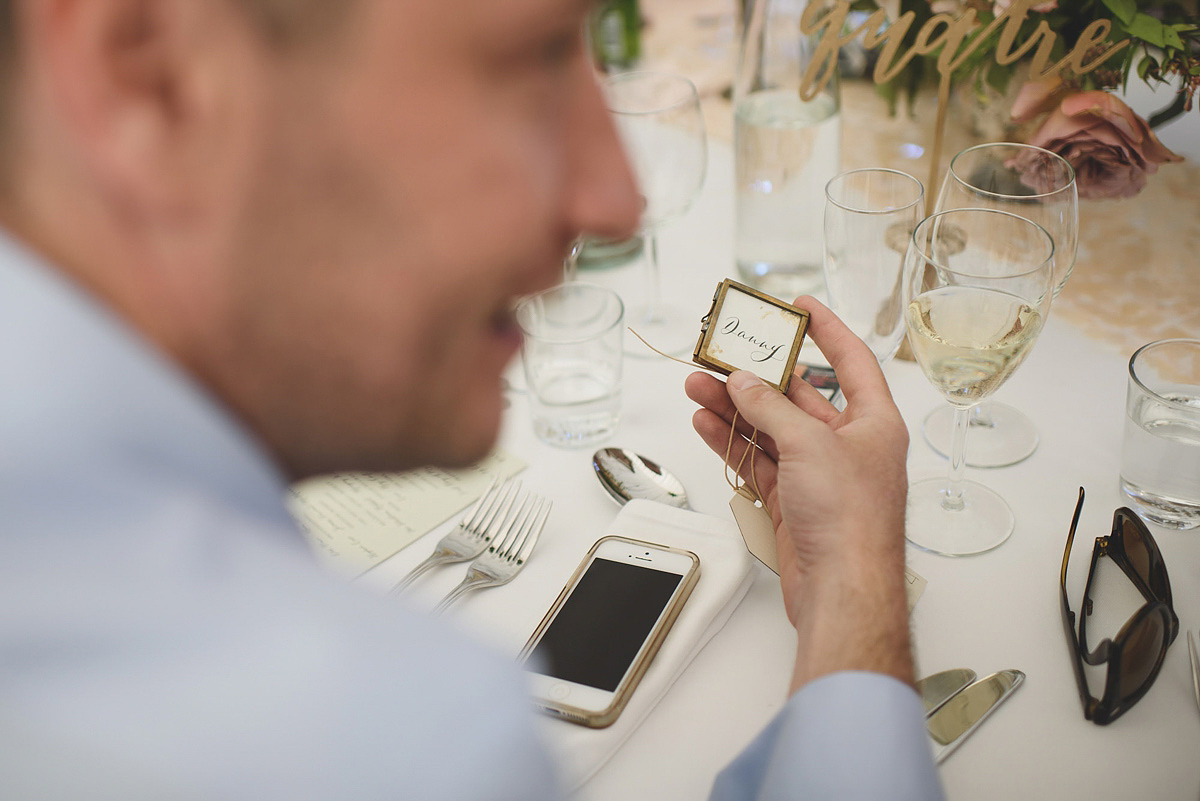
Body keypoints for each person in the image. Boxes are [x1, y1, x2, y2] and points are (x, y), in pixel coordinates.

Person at [0, 0, 941, 798]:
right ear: (148, 75)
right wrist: (862, 596)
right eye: (530, 61)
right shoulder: (390, 741)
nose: (616, 199)